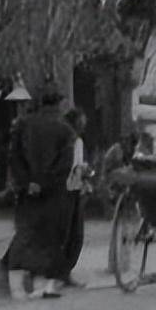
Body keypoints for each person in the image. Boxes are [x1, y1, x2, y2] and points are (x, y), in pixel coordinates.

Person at [2, 88, 76, 300]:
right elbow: (64, 165)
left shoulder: (22, 125)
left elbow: (14, 158)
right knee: (51, 237)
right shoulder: (65, 131)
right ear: (59, 104)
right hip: (52, 194)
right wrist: (44, 184)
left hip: (27, 192)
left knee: (25, 233)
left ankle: (19, 285)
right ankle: (44, 286)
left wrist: (28, 183)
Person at [61, 108, 92, 287]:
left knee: (74, 235)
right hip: (67, 190)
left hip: (73, 190)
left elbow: (78, 165)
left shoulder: (76, 141)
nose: (83, 126)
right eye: (81, 122)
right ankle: (61, 272)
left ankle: (64, 272)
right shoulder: (69, 141)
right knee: (70, 235)